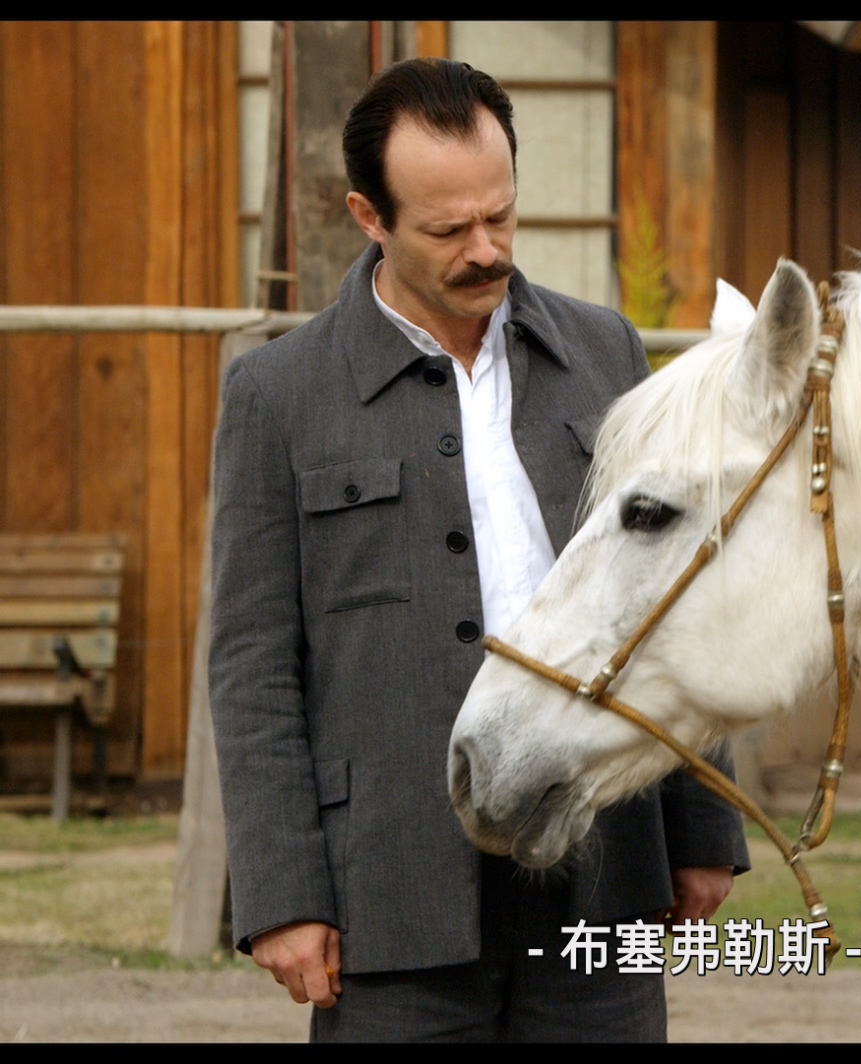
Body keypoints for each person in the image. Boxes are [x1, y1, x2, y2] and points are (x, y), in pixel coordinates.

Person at [209, 58, 748, 1042]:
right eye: (448, 229)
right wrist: (282, 891)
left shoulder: (607, 353)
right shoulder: (277, 396)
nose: (485, 249)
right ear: (370, 217)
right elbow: (250, 662)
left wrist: (704, 825)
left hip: (600, 869)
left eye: (500, 216)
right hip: (390, 886)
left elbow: (665, 593)